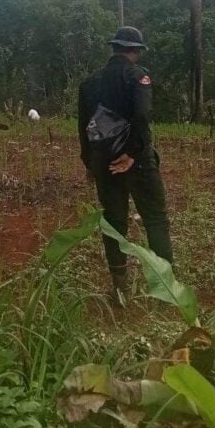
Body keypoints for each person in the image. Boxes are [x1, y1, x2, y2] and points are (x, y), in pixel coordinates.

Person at [78, 26, 173, 304]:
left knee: (113, 222)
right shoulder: (138, 76)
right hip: (138, 161)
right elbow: (142, 116)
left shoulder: (89, 83)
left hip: (104, 162)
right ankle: (165, 289)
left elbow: (84, 127)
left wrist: (90, 163)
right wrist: (132, 153)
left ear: (114, 48)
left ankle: (120, 289)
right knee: (155, 219)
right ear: (135, 51)